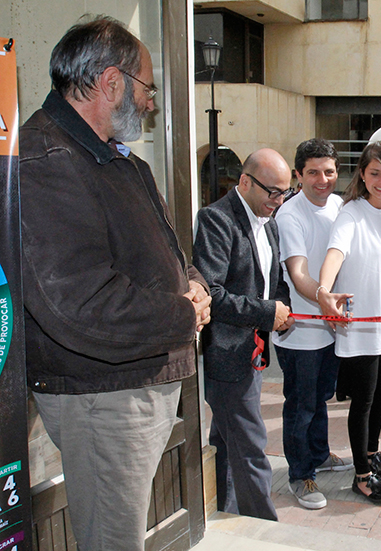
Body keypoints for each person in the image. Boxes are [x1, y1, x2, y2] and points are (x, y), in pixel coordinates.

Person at [19, 16, 211, 551]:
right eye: (147, 88)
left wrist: (195, 286)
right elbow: (78, 303)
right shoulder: (48, 160)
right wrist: (183, 314)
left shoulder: (113, 159)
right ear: (110, 82)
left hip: (129, 386)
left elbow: (168, 252)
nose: (150, 103)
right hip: (104, 398)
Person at [193, 148, 294, 521]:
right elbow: (213, 295)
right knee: (251, 448)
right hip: (226, 357)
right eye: (273, 192)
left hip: (251, 353)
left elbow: (275, 282)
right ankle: (266, 529)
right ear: (245, 182)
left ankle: (226, 515)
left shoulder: (270, 222)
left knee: (226, 442)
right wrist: (270, 313)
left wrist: (281, 310)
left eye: (285, 192)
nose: (279, 201)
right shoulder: (216, 220)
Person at [317, 141, 381, 504]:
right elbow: (335, 254)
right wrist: (324, 291)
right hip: (361, 324)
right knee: (365, 399)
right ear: (362, 174)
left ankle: (371, 451)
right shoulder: (350, 213)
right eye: (375, 173)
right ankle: (362, 475)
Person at [272, 139, 353, 509]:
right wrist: (324, 298)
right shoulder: (290, 215)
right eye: (314, 172)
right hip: (302, 331)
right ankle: (300, 475)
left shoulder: (339, 206)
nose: (323, 179)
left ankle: (319, 454)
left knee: (320, 398)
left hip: (331, 327)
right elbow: (298, 273)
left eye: (330, 171)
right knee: (301, 406)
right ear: (299, 174)